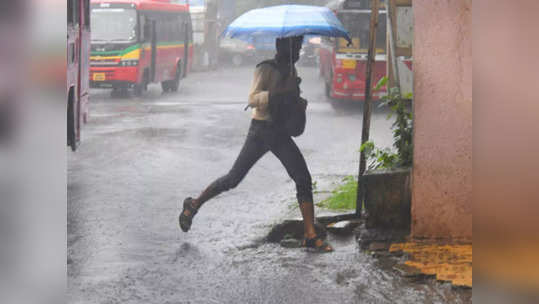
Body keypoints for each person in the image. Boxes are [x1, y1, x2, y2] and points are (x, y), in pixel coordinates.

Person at [179, 35, 333, 253]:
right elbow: (252, 98)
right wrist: (278, 93)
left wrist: (297, 101)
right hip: (261, 130)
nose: (298, 52)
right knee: (233, 179)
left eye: (299, 47)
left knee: (302, 177)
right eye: (294, 47)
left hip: (279, 132)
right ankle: (193, 205)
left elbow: (288, 104)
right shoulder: (265, 69)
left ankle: (310, 235)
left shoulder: (291, 71)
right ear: (281, 47)